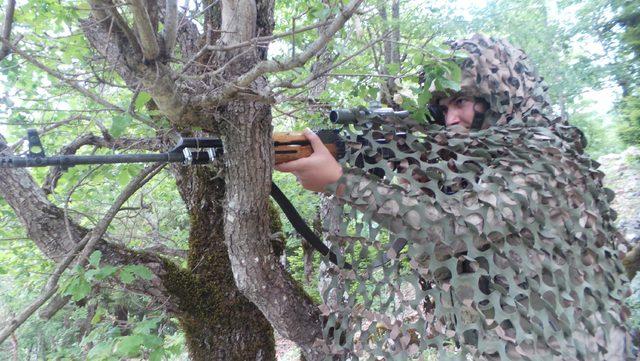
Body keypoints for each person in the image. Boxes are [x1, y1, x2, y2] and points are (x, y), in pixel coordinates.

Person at [276, 34, 632, 360]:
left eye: (460, 101)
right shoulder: (491, 156)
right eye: (442, 109)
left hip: (576, 347)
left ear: (499, 92)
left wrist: (341, 182)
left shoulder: (542, 153)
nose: (450, 119)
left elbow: (453, 229)